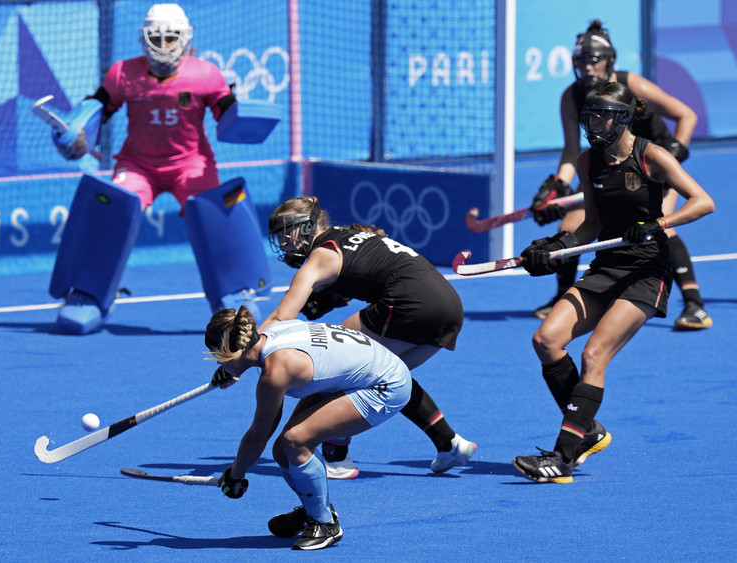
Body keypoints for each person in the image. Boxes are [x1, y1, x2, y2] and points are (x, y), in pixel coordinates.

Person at [513, 83, 714, 483]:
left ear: (622, 118)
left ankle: (563, 459)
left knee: (593, 356)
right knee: (546, 341)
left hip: (646, 273)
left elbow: (702, 201)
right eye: (589, 116)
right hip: (606, 267)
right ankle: (587, 429)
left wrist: (658, 224)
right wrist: (555, 248)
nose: (593, 123)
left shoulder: (651, 156)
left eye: (602, 115)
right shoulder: (590, 162)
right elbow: (591, 224)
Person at [47, 3, 268, 332]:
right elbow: (98, 109)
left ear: (186, 37)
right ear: (143, 38)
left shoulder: (206, 74)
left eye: (170, 37)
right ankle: (87, 295)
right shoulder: (123, 73)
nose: (163, 45)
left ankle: (235, 294)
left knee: (214, 211)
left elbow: (228, 116)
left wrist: (245, 117)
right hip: (138, 165)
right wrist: (77, 133)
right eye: (156, 37)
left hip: (191, 163)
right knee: (111, 208)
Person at [261, 196, 476, 479]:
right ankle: (449, 443)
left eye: (287, 233)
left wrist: (243, 352)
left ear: (309, 227)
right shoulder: (352, 236)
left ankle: (337, 458)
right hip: (449, 307)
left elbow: (280, 319)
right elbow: (366, 272)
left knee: (339, 360)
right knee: (389, 372)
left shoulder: (320, 256)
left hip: (409, 302)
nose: (283, 242)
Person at [530, 19, 711, 331]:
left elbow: (686, 115)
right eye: (581, 60)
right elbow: (572, 151)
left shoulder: (631, 85)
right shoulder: (571, 98)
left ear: (609, 60)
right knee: (570, 222)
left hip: (650, 163)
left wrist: (675, 153)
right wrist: (558, 185)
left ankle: (694, 305)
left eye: (594, 59)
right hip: (608, 162)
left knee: (659, 224)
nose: (587, 67)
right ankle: (563, 297)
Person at [207, 306, 412, 550]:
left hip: (385, 384)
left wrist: (235, 474)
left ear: (231, 352)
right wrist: (233, 367)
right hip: (364, 372)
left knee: (295, 440)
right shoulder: (272, 333)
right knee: (282, 451)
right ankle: (312, 509)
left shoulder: (276, 372)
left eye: (217, 356)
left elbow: (257, 437)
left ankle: (325, 524)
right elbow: (268, 425)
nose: (218, 361)